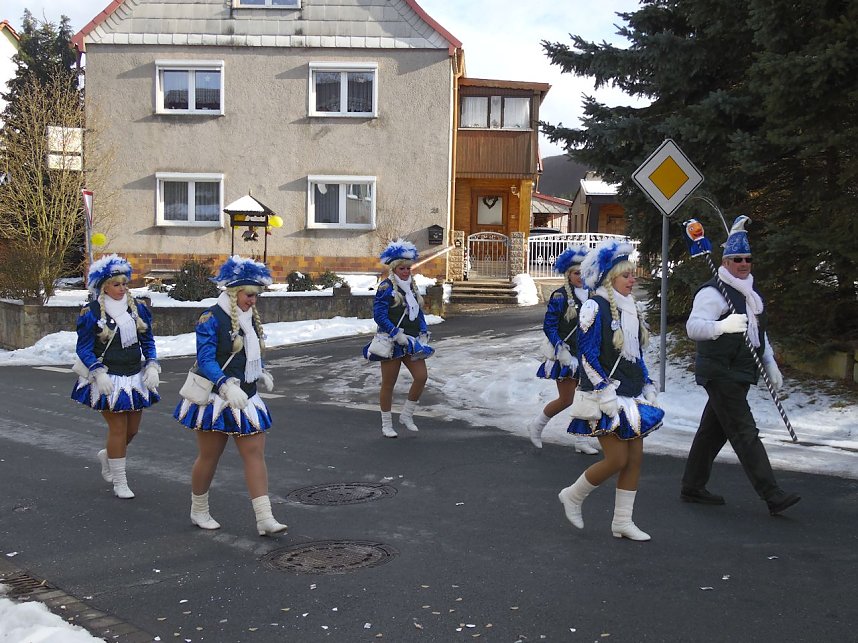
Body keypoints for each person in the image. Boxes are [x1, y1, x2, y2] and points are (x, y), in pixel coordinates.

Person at [681, 216, 800, 515]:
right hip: (720, 371)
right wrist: (723, 326)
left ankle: (692, 486)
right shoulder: (713, 292)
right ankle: (772, 494)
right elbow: (693, 327)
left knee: (714, 430)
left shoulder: (749, 293)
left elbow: (759, 333)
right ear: (725, 261)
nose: (743, 264)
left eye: (747, 259)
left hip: (740, 371)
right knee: (745, 432)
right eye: (737, 259)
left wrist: (770, 363)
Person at [558, 239, 664, 541]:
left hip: (630, 394)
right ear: (609, 278)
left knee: (634, 459)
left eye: (633, 274)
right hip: (605, 395)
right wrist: (604, 391)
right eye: (626, 275)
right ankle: (573, 495)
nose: (633, 280)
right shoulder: (595, 306)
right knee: (617, 459)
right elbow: (587, 355)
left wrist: (646, 382)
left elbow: (635, 354)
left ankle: (622, 522)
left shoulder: (631, 308)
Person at [174, 256, 287, 536]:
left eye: (256, 296)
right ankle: (198, 509)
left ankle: (264, 518)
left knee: (254, 454)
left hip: (246, 396)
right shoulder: (211, 318)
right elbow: (205, 358)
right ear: (235, 292)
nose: (253, 301)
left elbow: (249, 354)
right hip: (217, 398)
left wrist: (260, 371)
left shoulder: (250, 320)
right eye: (250, 295)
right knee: (209, 457)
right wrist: (225, 385)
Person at [71, 254, 160, 499]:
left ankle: (108, 454)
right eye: (116, 284)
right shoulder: (90, 312)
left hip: (134, 377)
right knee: (118, 429)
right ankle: (120, 482)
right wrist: (98, 373)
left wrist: (152, 364)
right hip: (108, 378)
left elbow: (147, 340)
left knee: (132, 430)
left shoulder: (138, 309)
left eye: (124, 284)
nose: (121, 289)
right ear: (103, 286)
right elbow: (84, 348)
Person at [527, 245, 599, 454]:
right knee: (566, 399)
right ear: (569, 274)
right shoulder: (559, 296)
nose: (581, 277)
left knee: (586, 396)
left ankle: (581, 441)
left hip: (588, 354)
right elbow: (549, 325)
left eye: (584, 273)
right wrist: (561, 349)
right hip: (567, 354)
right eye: (577, 273)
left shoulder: (593, 295)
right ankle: (537, 425)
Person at [363, 239, 434, 438]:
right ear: (394, 269)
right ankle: (386, 424)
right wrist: (395, 333)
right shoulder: (386, 287)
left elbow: (418, 311)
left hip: (411, 342)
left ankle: (407, 415)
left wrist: (423, 330)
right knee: (388, 383)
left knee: (421, 377)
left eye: (408, 268)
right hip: (391, 342)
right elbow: (379, 315)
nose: (405, 272)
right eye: (402, 268)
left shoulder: (412, 287)